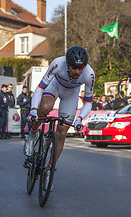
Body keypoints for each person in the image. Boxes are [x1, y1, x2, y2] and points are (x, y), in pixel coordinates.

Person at [25, 46, 95, 184]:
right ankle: (32, 134)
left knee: (62, 134)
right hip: (54, 86)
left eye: (80, 68)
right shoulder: (58, 63)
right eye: (73, 67)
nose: (76, 71)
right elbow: (40, 88)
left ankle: (49, 170)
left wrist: (80, 119)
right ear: (67, 64)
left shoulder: (89, 74)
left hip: (71, 94)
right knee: (45, 107)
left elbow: (88, 102)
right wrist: (33, 110)